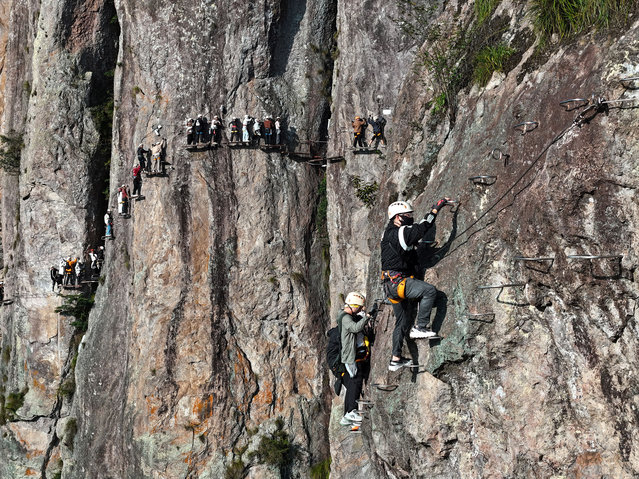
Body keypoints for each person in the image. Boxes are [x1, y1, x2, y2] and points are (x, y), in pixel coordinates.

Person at [380, 199, 452, 371]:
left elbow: (405, 251)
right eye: (407, 215)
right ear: (397, 217)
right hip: (399, 283)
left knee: (401, 321)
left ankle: (395, 358)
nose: (410, 217)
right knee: (429, 291)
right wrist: (436, 208)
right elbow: (422, 227)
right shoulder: (402, 232)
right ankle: (420, 326)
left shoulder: (388, 233)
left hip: (389, 286)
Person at [337, 291, 371, 428]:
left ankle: (349, 413)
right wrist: (366, 317)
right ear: (353, 305)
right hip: (349, 357)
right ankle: (350, 411)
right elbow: (355, 328)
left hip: (350, 355)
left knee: (354, 381)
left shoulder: (345, 316)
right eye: (359, 307)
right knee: (355, 382)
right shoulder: (345, 317)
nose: (359, 310)